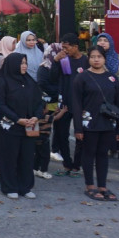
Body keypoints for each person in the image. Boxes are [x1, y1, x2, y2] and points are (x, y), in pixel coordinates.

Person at [72, 45, 119, 201]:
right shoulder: (81, 77)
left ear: (104, 58)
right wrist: (78, 127)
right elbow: (76, 104)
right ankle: (90, 186)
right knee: (89, 153)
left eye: (99, 57)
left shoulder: (112, 78)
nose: (96, 59)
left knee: (103, 154)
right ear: (88, 58)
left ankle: (102, 186)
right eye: (93, 56)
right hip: (88, 123)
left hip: (108, 123)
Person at [0, 53, 44, 199]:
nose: (24, 66)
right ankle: (10, 187)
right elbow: (0, 104)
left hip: (29, 125)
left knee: (27, 157)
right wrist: (17, 118)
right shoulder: (2, 81)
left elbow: (39, 101)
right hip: (10, 125)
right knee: (10, 156)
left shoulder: (29, 81)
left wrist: (36, 116)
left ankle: (25, 187)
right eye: (21, 63)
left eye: (25, 63)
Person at [48, 33, 89, 176]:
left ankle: (77, 164)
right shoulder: (62, 59)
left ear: (75, 47)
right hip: (64, 102)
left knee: (81, 134)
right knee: (61, 133)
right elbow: (52, 78)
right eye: (62, 48)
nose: (64, 51)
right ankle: (67, 162)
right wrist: (56, 61)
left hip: (82, 103)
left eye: (66, 48)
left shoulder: (86, 60)